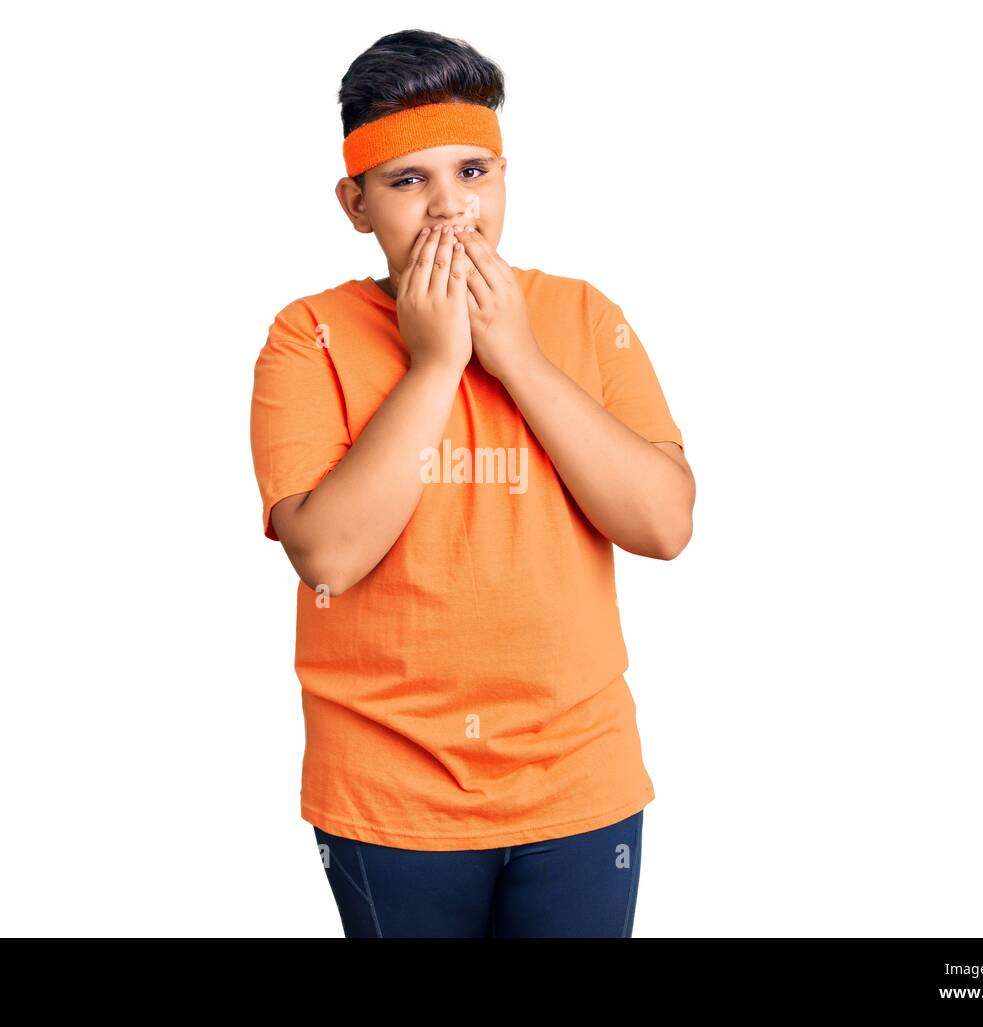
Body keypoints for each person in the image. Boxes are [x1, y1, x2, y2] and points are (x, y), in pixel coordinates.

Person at [249, 29, 695, 938]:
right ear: (356, 202)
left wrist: (518, 357)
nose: (451, 208)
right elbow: (328, 553)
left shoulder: (581, 314)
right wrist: (436, 364)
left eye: (474, 171)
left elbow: (664, 524)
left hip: (579, 781)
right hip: (390, 793)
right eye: (409, 182)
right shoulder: (310, 335)